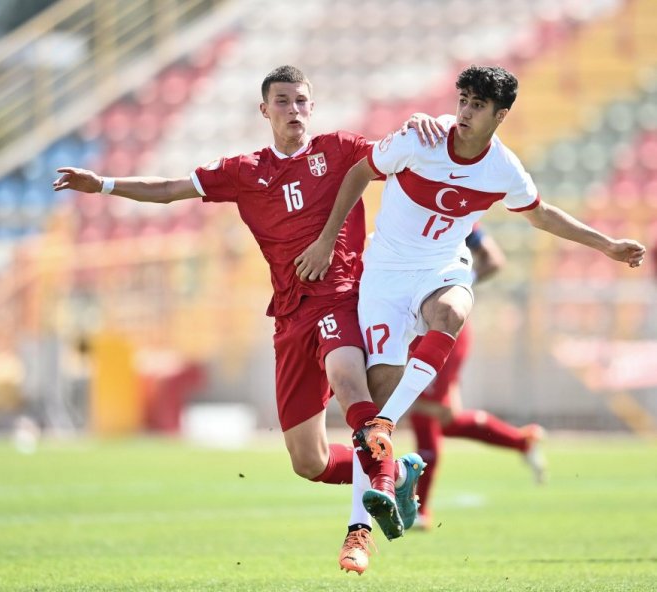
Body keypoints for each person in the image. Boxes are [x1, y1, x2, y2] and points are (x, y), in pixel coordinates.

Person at [53, 65, 438, 575]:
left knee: (349, 382)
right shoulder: (244, 171)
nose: (294, 110)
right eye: (283, 101)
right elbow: (169, 189)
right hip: (289, 317)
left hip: (341, 299)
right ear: (264, 110)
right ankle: (399, 471)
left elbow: (403, 157)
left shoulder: (341, 149)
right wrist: (102, 184)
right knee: (308, 462)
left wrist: (423, 125)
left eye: (301, 100)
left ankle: (366, 518)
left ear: (312, 107)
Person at [293, 65, 646, 510]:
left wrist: (607, 245)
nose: (465, 111)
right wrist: (327, 241)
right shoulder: (419, 138)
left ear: (500, 115)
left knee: (451, 314)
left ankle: (365, 513)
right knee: (380, 397)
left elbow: (540, 215)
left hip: (441, 267)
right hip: (386, 273)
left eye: (478, 105)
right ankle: (387, 485)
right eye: (463, 101)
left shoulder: (503, 169)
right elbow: (359, 172)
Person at [408, 225, 546, 530]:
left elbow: (494, 260)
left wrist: (456, 285)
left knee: (424, 409)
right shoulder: (408, 210)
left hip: (440, 325)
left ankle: (419, 509)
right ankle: (522, 441)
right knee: (445, 418)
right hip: (414, 325)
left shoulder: (458, 215)